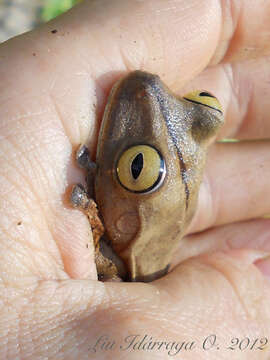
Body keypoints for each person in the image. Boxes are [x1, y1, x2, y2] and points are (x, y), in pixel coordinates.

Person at [0, 0, 270, 358]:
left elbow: (111, 270)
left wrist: (94, 222)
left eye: (138, 167)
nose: (151, 91)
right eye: (202, 102)